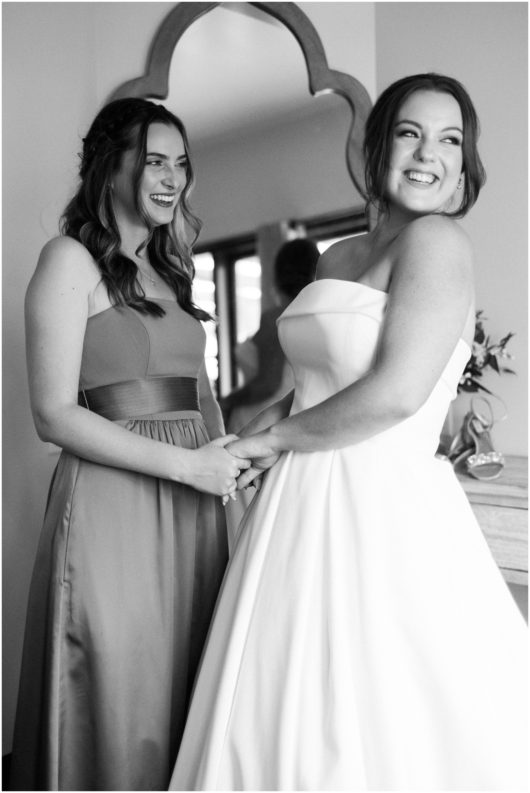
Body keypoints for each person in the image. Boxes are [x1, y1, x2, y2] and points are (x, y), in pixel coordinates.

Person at [169, 74, 528, 790]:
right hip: (294, 506)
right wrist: (245, 442)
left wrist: (273, 443)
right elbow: (303, 388)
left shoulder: (439, 243)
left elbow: (395, 395)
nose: (429, 154)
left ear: (465, 165)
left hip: (380, 505)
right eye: (409, 133)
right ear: (378, 147)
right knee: (275, 700)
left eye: (450, 140)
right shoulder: (337, 257)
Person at [10, 97, 249, 791]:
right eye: (154, 161)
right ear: (109, 168)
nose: (172, 178)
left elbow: (202, 394)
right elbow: (52, 413)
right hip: (115, 507)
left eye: (181, 163)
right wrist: (189, 465)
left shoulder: (173, 274)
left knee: (187, 673)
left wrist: (240, 461)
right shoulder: (69, 261)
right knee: (121, 683)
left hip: (195, 502)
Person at [222, 238, 320, 545]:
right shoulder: (319, 315)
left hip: (260, 416)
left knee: (246, 510)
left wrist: (225, 401)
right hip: (301, 416)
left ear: (278, 273)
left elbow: (266, 383)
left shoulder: (276, 316)